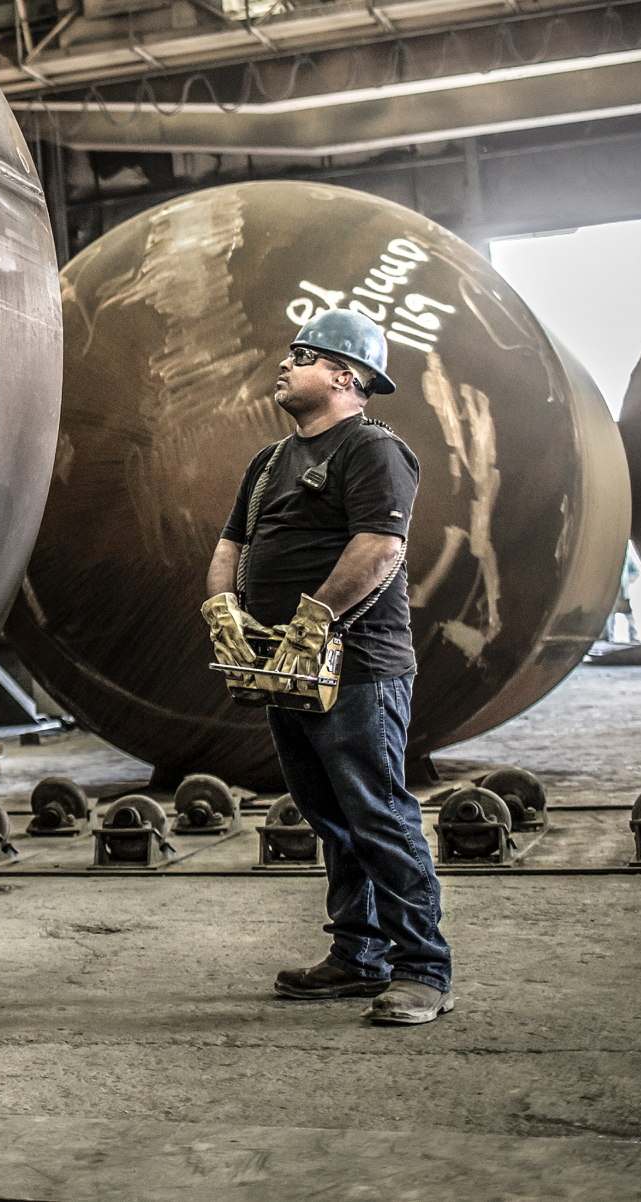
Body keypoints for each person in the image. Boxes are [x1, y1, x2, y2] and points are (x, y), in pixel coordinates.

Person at [201, 309, 453, 1025]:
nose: (284, 364)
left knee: (375, 811)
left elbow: (379, 547)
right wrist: (220, 606)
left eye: (301, 355)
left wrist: (316, 620)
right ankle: (357, 955)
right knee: (329, 815)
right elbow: (232, 543)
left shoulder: (372, 451)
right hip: (285, 666)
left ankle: (423, 970)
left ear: (345, 376)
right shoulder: (270, 462)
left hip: (358, 667)